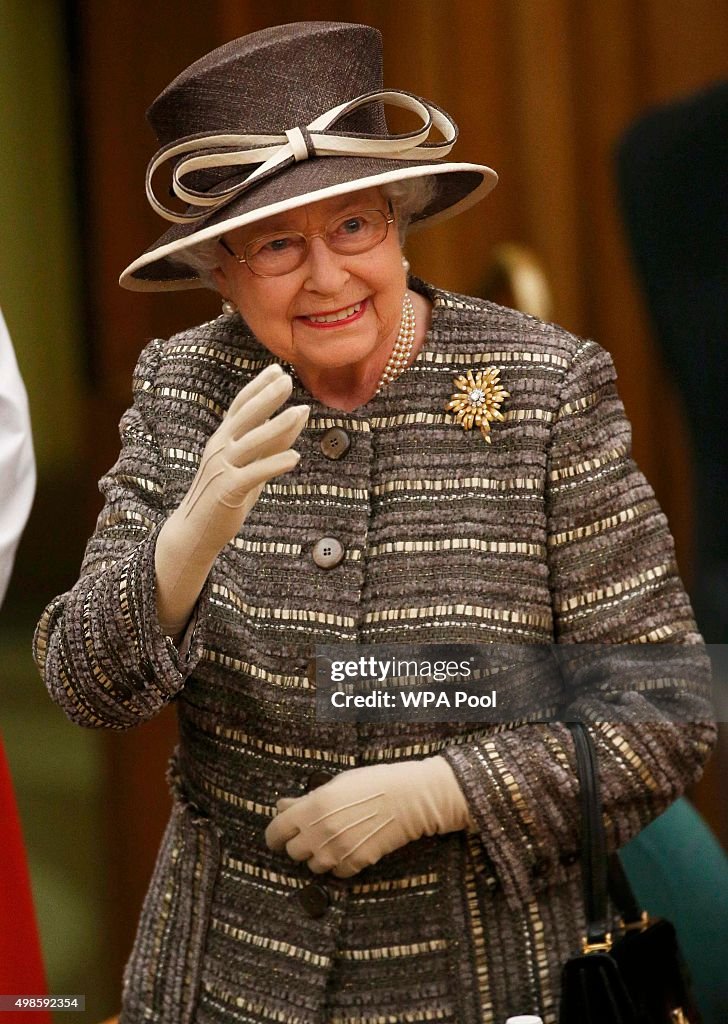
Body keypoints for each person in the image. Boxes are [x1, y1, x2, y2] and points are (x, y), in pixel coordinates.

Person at [33, 22, 715, 1024]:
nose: (324, 277)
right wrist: (187, 537)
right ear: (219, 269)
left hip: (484, 980)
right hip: (222, 980)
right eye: (275, 243)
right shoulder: (183, 388)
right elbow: (81, 685)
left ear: (399, 221)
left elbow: (661, 711)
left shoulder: (542, 387)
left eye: (352, 226)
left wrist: (436, 791)